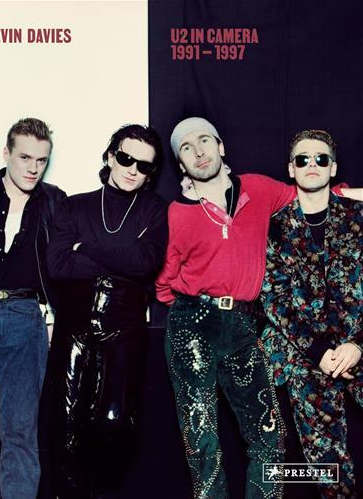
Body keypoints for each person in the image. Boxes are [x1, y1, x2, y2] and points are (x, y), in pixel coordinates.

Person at [154, 117, 362, 499]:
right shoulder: (178, 213)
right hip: (194, 321)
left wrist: (347, 193)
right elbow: (165, 281)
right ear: (181, 164)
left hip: (244, 323)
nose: (199, 151)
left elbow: (311, 191)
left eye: (205, 140)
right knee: (201, 438)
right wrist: (190, 310)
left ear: (221, 146)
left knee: (270, 436)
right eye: (187, 147)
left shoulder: (258, 189)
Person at [46, 124, 168, 498]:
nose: (133, 170)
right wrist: (119, 261)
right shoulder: (74, 206)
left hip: (125, 324)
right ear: (110, 156)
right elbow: (58, 265)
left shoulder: (154, 209)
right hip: (74, 321)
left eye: (144, 166)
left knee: (114, 422)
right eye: (127, 159)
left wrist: (86, 248)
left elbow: (145, 262)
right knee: (66, 424)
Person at [0, 118, 66, 499]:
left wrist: (53, 317)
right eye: (25, 157)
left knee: (21, 429)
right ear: (6, 153)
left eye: (41, 160)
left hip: (25, 315)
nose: (33, 168)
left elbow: (64, 264)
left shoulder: (55, 201)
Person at [260, 130, 363, 498]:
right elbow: (275, 300)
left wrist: (357, 345)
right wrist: (319, 352)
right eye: (302, 159)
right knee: (327, 464)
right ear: (291, 169)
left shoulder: (358, 218)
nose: (312, 165)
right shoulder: (275, 226)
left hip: (357, 342)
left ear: (333, 168)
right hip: (307, 354)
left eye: (321, 158)